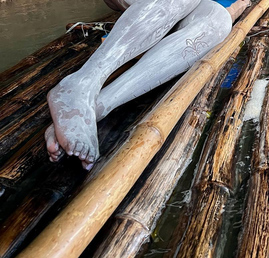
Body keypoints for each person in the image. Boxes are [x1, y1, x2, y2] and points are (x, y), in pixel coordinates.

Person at [45, 0, 251, 170]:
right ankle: (84, 82)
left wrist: (235, 9)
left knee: (220, 21)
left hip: (189, 18)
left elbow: (233, 9)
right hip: (152, 9)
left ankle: (94, 107)